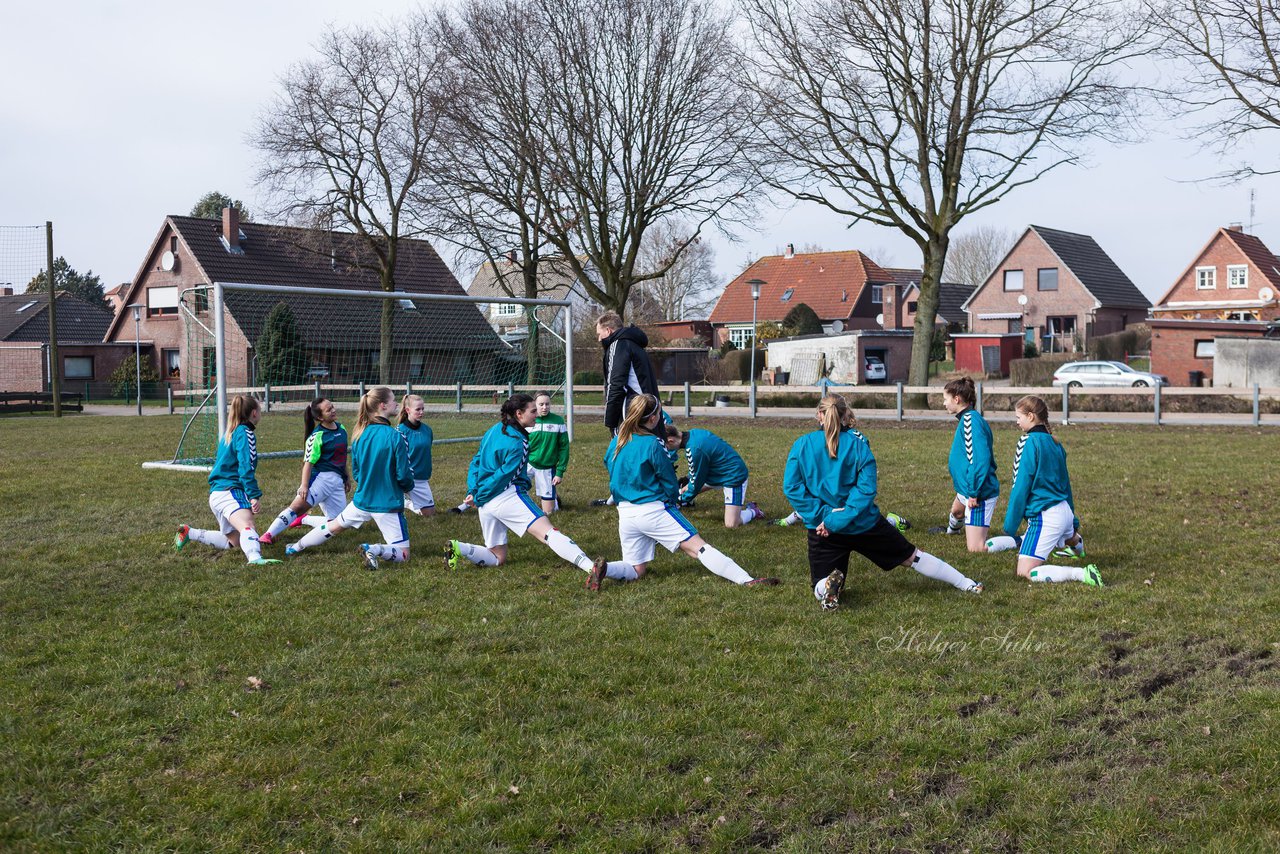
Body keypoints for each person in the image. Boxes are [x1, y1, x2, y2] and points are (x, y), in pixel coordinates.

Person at [782, 394, 983, 610]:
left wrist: (826, 516)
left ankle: (827, 587)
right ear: (844, 416)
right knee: (912, 557)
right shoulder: (859, 446)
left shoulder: (801, 445)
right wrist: (839, 516)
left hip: (823, 529)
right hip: (862, 523)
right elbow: (865, 491)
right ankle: (967, 584)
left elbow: (792, 488)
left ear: (820, 415)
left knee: (818, 584)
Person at [585, 394, 779, 591]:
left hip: (625, 514)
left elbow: (609, 466)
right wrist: (674, 500)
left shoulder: (617, 440)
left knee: (636, 570)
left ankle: (605, 569)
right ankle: (746, 580)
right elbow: (669, 481)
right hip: (652, 510)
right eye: (660, 414)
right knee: (699, 548)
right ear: (653, 419)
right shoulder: (653, 443)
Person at [444, 394, 607, 579]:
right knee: (548, 533)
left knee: (498, 557)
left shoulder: (493, 430)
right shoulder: (518, 443)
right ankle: (590, 567)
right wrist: (479, 494)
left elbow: (476, 461)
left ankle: (459, 547)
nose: (537, 414)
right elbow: (504, 477)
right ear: (519, 414)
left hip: (485, 503)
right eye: (533, 411)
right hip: (504, 496)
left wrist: (473, 490)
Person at [284, 386, 415, 569]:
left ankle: (295, 547)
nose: (397, 404)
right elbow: (404, 476)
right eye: (394, 400)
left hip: (361, 500)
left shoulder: (359, 435)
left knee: (333, 527)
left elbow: (357, 473)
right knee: (404, 554)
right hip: (387, 503)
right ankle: (373, 549)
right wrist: (407, 488)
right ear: (383, 406)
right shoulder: (395, 437)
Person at [984, 396, 1101, 587]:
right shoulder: (1056, 443)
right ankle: (1078, 546)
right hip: (1063, 510)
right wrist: (1073, 519)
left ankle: (1082, 573)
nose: (1016, 421)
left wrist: (1010, 524)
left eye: (1018, 417)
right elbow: (1066, 484)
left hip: (1046, 516)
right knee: (1067, 535)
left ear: (1030, 416)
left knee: (1025, 571)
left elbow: (1020, 485)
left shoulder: (1028, 442)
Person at [174, 395, 280, 566]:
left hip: (217, 493)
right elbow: (246, 467)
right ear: (254, 413)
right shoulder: (246, 434)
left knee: (235, 541)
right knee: (248, 525)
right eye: (260, 410)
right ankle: (255, 558)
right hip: (230, 491)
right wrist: (253, 495)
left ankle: (189, 532)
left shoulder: (230, 432)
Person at [259, 397, 349, 545]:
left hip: (337, 481)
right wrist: (304, 485)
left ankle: (304, 519)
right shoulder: (316, 436)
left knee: (340, 523)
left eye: (332, 407)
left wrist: (346, 477)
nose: (333, 410)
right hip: (321, 480)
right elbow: (307, 464)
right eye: (328, 410)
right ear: (320, 417)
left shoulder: (342, 429)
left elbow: (342, 457)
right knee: (296, 507)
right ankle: (268, 534)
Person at [925, 377, 1000, 552]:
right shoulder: (968, 418)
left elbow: (979, 461)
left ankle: (1020, 540)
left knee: (976, 548)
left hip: (978, 493)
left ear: (956, 399)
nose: (944, 403)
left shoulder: (970, 421)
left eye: (945, 399)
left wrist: (973, 493)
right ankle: (952, 531)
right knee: (957, 512)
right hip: (966, 488)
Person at [668, 424, 764, 527]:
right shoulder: (694, 433)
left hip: (733, 476)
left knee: (731, 523)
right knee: (684, 489)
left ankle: (753, 511)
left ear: (671, 441)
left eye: (665, 446)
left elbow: (696, 483)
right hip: (716, 473)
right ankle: (675, 504)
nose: (667, 449)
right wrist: (688, 479)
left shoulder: (694, 449)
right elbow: (702, 465)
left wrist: (681, 499)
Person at [597, 310, 658, 434]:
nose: (599, 339)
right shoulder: (635, 345)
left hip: (633, 414)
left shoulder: (618, 345)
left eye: (599, 334)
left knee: (626, 452)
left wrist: (611, 421)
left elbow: (616, 385)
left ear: (608, 331)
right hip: (648, 410)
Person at [527, 391, 569, 514]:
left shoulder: (558, 421)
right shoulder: (528, 421)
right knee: (513, 490)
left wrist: (560, 471)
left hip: (546, 468)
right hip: (528, 464)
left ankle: (553, 499)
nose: (544, 407)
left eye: (547, 404)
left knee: (549, 512)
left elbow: (564, 447)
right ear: (535, 405)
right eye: (541, 404)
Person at [397, 393, 436, 517]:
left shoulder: (427, 430)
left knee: (429, 514)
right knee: (388, 509)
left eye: (423, 409)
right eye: (418, 409)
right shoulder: (399, 431)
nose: (421, 412)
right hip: (403, 477)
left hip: (421, 478)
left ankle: (408, 504)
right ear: (408, 410)